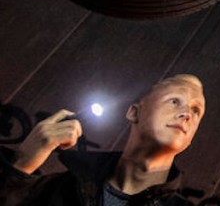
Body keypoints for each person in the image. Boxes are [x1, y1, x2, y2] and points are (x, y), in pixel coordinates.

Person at [0, 74, 206, 205]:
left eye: (196, 111)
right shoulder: (59, 189)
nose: (187, 113)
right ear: (134, 112)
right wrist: (21, 166)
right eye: (174, 101)